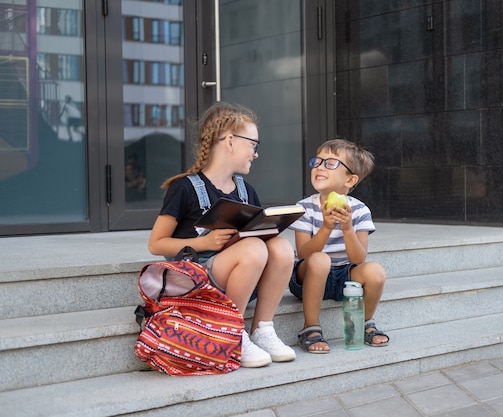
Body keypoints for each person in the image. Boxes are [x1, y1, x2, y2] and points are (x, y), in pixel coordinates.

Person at [148, 102, 296, 368]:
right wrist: (203, 242)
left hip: (240, 277)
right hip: (199, 280)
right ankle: (232, 331)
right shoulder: (184, 188)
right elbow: (156, 243)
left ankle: (262, 328)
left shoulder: (245, 190)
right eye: (253, 144)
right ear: (230, 141)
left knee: (282, 247)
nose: (255, 153)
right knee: (253, 249)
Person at [288, 138, 389, 353]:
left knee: (375, 271)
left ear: (350, 180)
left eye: (330, 163)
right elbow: (304, 254)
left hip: (344, 275)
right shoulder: (304, 208)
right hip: (309, 275)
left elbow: (358, 259)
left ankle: (365, 324)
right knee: (320, 259)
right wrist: (326, 227)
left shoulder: (360, 210)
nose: (319, 167)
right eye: (317, 161)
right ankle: (311, 327)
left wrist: (346, 229)